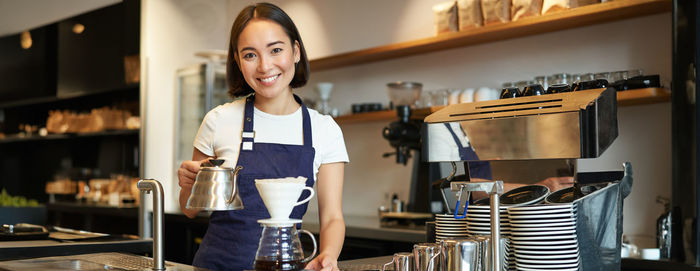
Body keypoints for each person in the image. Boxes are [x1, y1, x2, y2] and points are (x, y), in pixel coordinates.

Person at [177, 3, 348, 271]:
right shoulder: (218, 120)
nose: (265, 66)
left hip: (285, 264)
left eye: (276, 50)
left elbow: (332, 218)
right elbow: (189, 209)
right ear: (237, 61)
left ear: (296, 51)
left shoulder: (324, 129)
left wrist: (327, 255)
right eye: (250, 55)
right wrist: (189, 185)